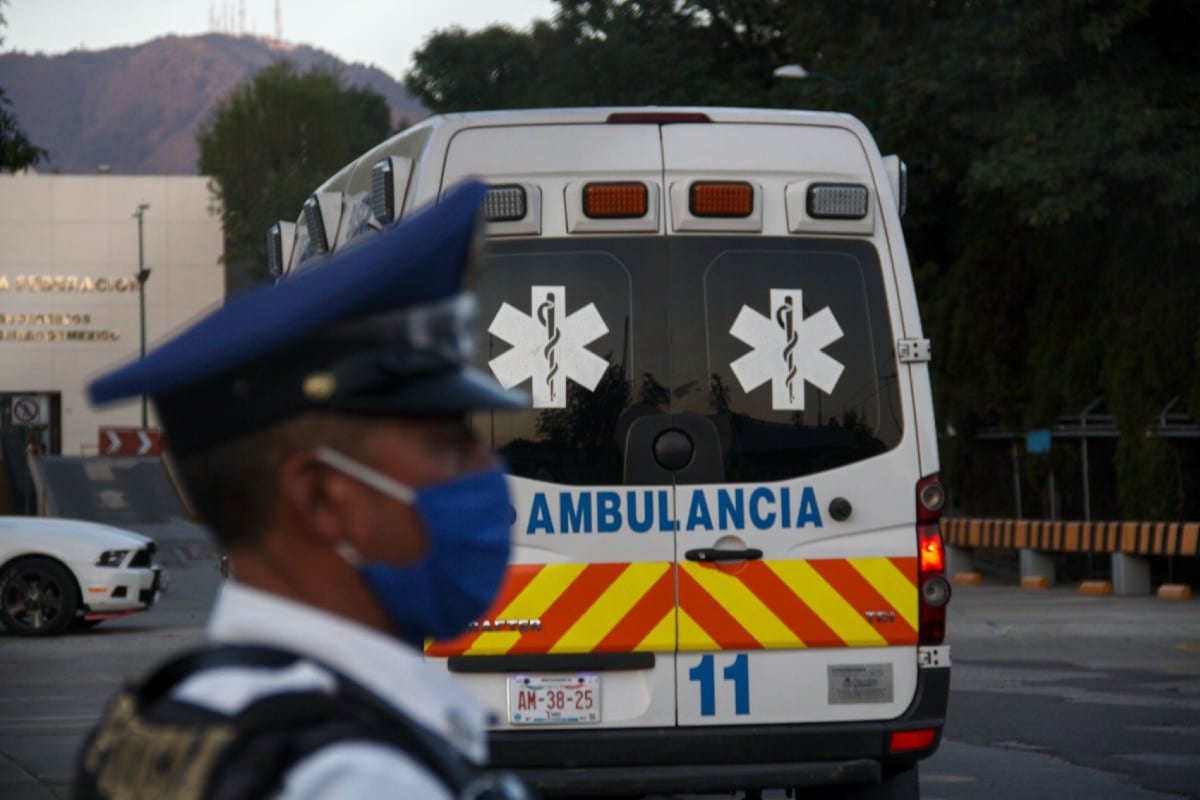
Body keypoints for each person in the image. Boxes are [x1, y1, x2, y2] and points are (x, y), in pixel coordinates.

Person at [70, 182, 532, 799]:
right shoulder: (358, 778)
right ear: (320, 497)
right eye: (449, 446)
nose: (487, 468)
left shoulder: (162, 719)